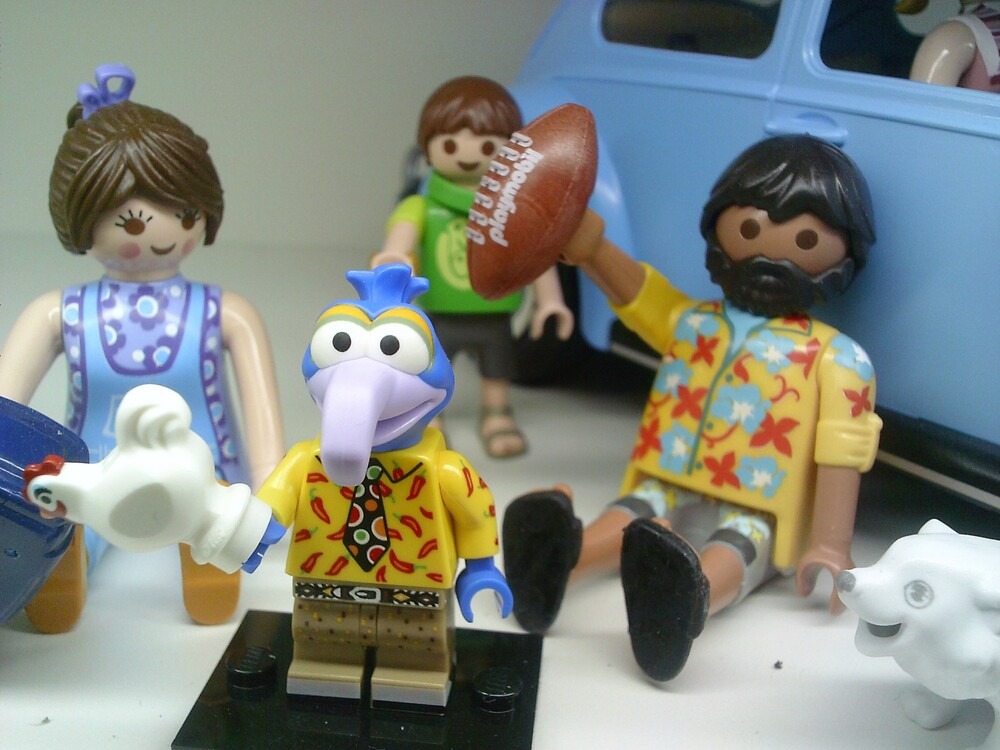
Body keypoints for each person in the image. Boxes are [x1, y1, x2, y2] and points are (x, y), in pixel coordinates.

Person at [503, 134, 882, 681]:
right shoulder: (693, 322)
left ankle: (685, 601)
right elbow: (638, 296)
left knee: (738, 544)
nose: (769, 254)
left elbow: (842, 450)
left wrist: (829, 543)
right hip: (668, 472)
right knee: (632, 511)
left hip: (760, 501)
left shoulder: (837, 358)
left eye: (804, 238)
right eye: (750, 229)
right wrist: (591, 249)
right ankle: (562, 560)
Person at [0, 64, 284, 632]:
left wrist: (272, 484)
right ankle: (62, 573)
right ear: (82, 217)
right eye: (130, 221)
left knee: (212, 531)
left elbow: (261, 412)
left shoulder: (226, 312)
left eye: (184, 212)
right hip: (88, 472)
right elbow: (7, 406)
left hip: (206, 472)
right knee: (62, 526)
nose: (161, 231)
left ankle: (209, 574)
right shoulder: (59, 313)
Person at [370, 76, 573, 457]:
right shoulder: (422, 205)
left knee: (497, 366)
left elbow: (534, 255)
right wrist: (394, 257)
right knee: (428, 366)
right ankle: (430, 417)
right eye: (450, 144)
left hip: (494, 313)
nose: (467, 155)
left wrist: (550, 301)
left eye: (487, 146)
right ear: (427, 148)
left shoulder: (511, 210)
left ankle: (496, 414)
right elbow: (402, 236)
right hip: (439, 313)